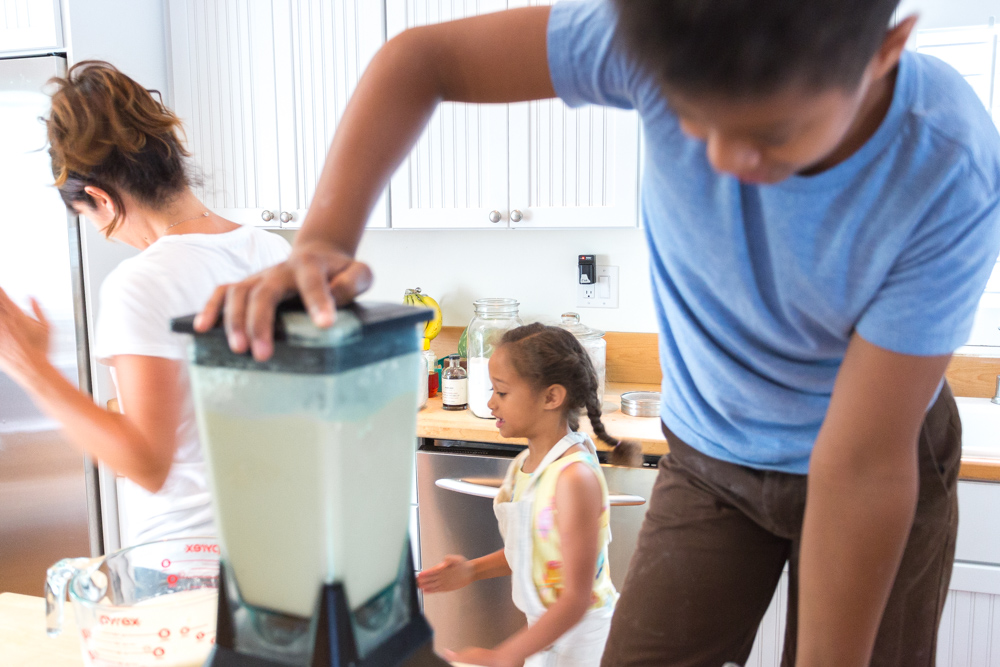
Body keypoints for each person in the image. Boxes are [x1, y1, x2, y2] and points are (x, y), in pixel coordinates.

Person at [197, 1, 1000, 664]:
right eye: (693, 118)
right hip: (713, 455)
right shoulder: (653, 34)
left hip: (876, 460)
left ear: (885, 51)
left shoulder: (946, 162)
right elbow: (421, 60)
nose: (724, 163)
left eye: (773, 133)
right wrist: (323, 240)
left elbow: (860, 464)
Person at [0, 61, 291, 546]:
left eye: (91, 218)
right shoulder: (272, 252)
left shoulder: (141, 283)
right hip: (281, 541)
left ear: (102, 198)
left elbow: (148, 464)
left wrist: (30, 367)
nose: (107, 235)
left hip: (193, 557)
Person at [418, 324, 638, 667]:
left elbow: (576, 599)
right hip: (547, 637)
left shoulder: (574, 478)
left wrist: (505, 656)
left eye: (502, 392)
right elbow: (533, 551)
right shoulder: (525, 466)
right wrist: (470, 571)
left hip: (586, 645)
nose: (491, 403)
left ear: (551, 397)